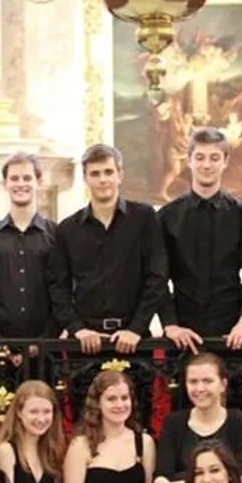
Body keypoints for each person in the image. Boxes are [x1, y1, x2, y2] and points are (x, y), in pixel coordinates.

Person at [48, 143, 169, 355]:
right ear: (85, 178)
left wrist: (136, 328)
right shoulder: (67, 229)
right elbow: (58, 287)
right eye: (95, 174)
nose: (103, 179)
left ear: (120, 175)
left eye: (108, 172)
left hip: (135, 340)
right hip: (86, 342)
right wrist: (78, 329)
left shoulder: (144, 218)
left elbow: (156, 277)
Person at [158, 127, 242, 353]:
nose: (206, 165)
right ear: (189, 161)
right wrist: (171, 325)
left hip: (232, 331)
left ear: (225, 161)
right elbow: (157, 278)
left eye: (214, 158)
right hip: (182, 331)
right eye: (199, 157)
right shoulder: (166, 217)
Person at [154, 352, 242, 483]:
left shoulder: (240, 421)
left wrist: (184, 482)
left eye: (207, 381)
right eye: (193, 382)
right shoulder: (173, 422)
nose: (199, 388)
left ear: (223, 384)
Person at [0, 152, 62, 344]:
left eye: (27, 178)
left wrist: (45, 340)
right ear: (5, 184)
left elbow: (62, 291)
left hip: (46, 348)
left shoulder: (56, 235)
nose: (20, 184)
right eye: (14, 178)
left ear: (39, 182)